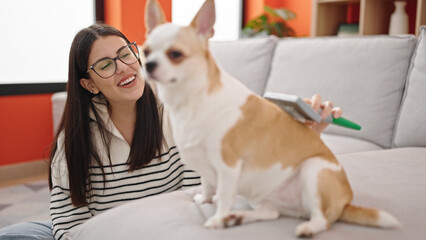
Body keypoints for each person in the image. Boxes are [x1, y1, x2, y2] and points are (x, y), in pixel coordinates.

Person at [0, 23, 342, 240]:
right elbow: (67, 227)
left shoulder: (179, 115)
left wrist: (306, 135)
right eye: (105, 64)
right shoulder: (74, 141)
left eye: (126, 54)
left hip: (163, 230)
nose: (124, 68)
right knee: (15, 234)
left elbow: (211, 188)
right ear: (88, 84)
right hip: (102, 234)